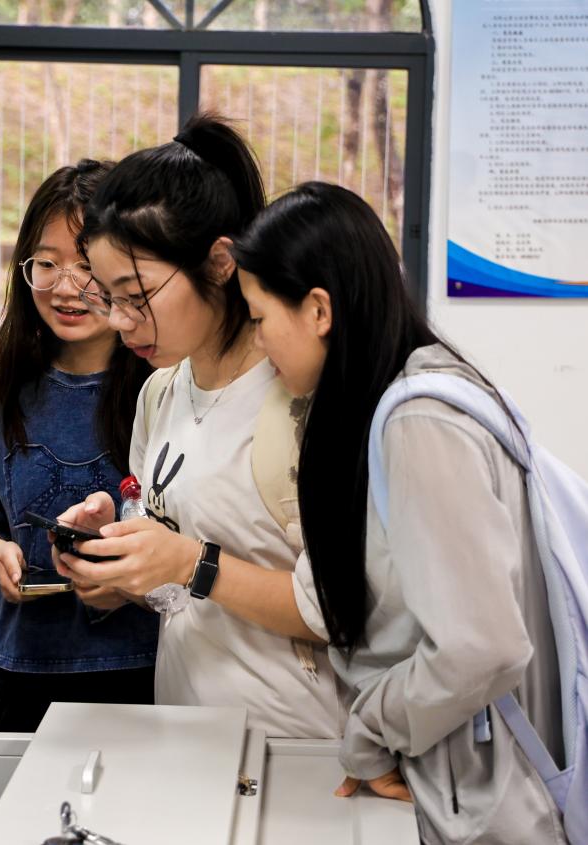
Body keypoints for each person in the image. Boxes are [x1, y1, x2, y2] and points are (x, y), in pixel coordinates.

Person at [232, 181, 566, 843]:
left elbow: (482, 647)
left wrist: (371, 727)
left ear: (318, 310)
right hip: (455, 778)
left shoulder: (418, 420)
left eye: (259, 317)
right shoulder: (409, 394)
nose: (259, 342)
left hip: (485, 796)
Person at [52, 115, 346, 740]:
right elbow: (177, 593)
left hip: (300, 745)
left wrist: (194, 563)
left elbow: (340, 611)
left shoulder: (300, 397)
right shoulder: (159, 393)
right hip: (188, 736)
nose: (121, 321)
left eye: (136, 295)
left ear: (219, 263)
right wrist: (116, 565)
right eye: (108, 297)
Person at [0, 160, 158, 732]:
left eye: (86, 266)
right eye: (47, 264)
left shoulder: (162, 388)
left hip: (145, 670)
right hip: (24, 670)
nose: (65, 287)